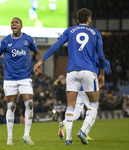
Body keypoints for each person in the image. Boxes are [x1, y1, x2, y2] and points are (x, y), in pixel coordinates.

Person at [34, 8, 106, 145]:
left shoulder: (69, 31)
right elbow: (101, 57)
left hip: (72, 72)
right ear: (89, 20)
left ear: (77, 20)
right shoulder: (95, 33)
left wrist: (41, 61)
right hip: (89, 71)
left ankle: (68, 139)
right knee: (94, 104)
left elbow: (56, 46)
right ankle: (83, 131)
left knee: (70, 106)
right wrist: (102, 73)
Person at [0, 17, 42, 145]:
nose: (13, 24)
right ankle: (10, 138)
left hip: (25, 77)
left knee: (29, 103)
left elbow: (37, 52)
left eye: (16, 22)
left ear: (21, 26)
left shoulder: (28, 39)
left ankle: (26, 135)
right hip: (10, 78)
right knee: (11, 106)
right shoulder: (6, 41)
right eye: (12, 23)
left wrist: (38, 64)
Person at [58, 59, 111, 141]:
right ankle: (85, 133)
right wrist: (107, 62)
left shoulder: (85, 57)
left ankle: (64, 123)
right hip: (89, 88)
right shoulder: (97, 57)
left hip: (79, 89)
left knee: (76, 113)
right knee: (93, 111)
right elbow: (106, 72)